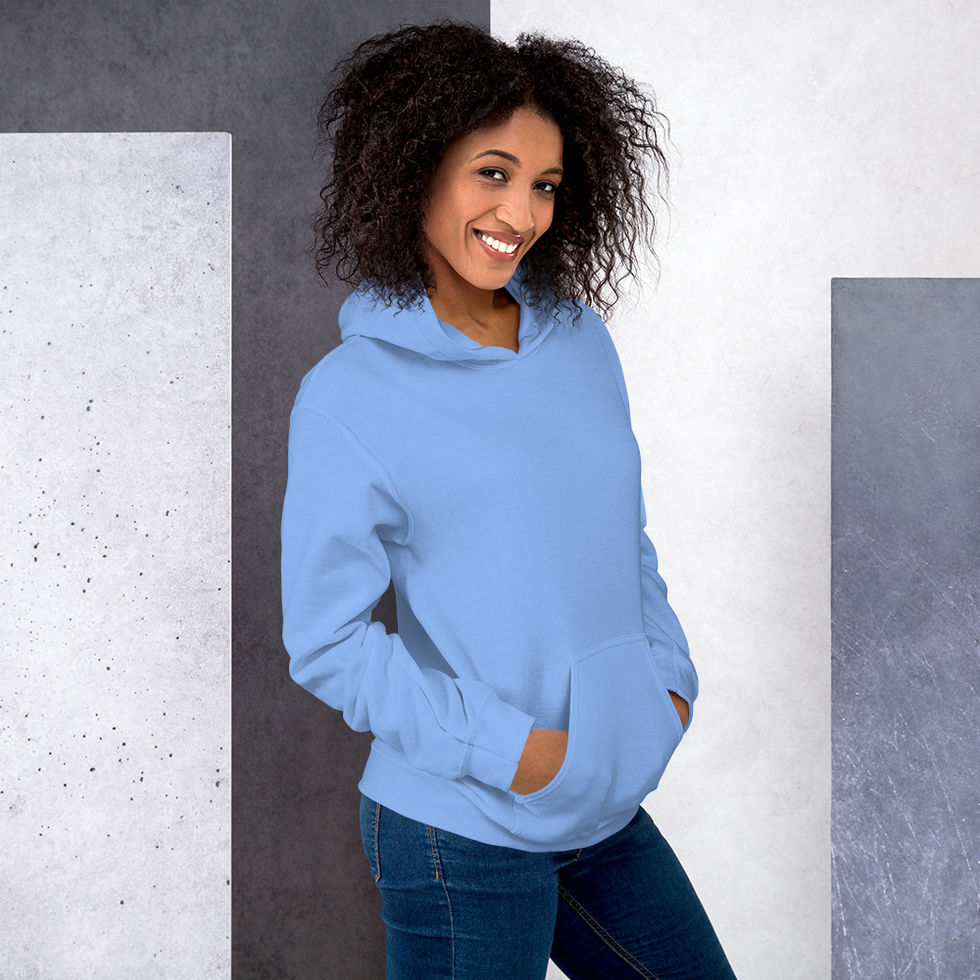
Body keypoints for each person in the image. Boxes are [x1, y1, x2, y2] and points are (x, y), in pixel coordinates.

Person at [281, 20, 737, 980]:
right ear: (415, 169)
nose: (521, 213)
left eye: (545, 185)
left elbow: (620, 538)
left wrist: (664, 688)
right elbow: (327, 640)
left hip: (602, 808)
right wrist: (517, 753)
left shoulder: (578, 338)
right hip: (461, 832)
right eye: (493, 173)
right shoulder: (350, 395)